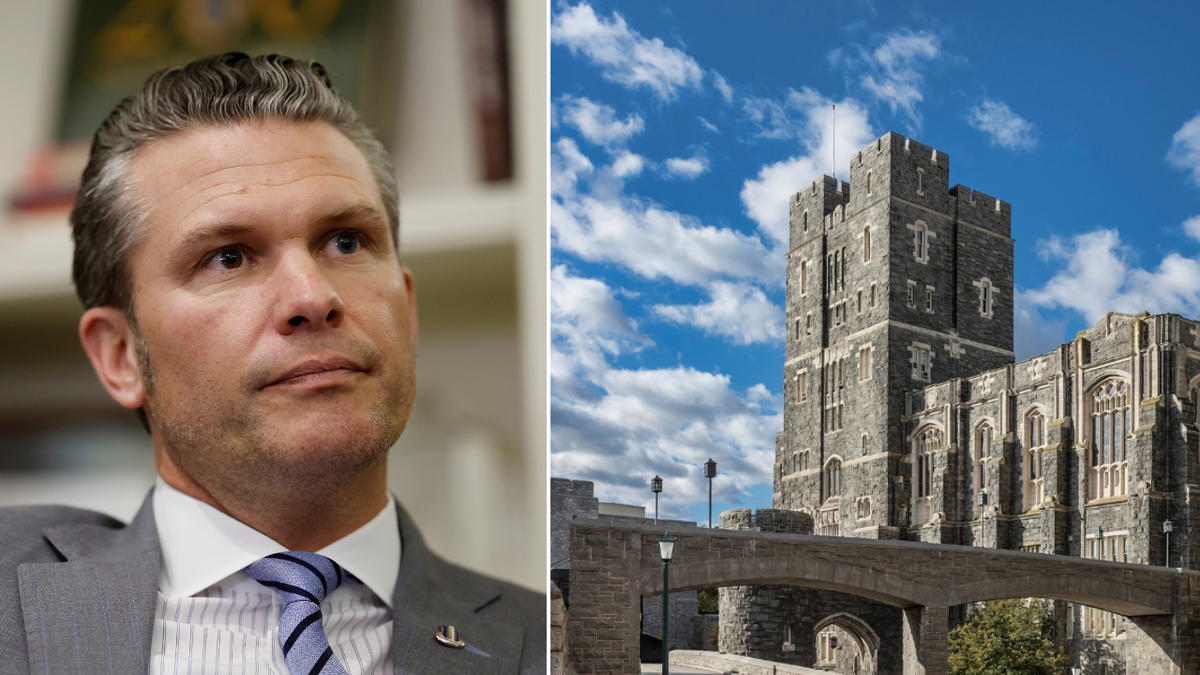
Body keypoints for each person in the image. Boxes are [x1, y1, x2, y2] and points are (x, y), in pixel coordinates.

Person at [0, 53, 544, 675]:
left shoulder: (542, 640)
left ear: (409, 310)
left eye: (345, 241)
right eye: (228, 257)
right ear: (121, 356)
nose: (312, 297)